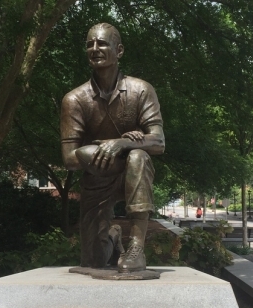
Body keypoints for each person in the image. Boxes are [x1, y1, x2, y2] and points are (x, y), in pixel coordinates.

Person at [60, 23, 165, 273]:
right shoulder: (75, 99)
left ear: (119, 51)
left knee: (138, 157)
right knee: (94, 261)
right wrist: (102, 149)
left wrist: (123, 144)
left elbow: (159, 142)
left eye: (102, 43)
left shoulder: (141, 90)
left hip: (135, 170)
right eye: (90, 44)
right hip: (97, 174)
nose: (94, 49)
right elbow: (70, 159)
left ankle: (136, 248)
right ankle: (114, 236)